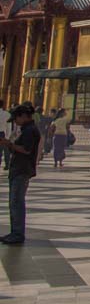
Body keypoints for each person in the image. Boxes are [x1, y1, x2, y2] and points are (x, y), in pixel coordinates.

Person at [0, 103, 40, 244]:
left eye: (16, 118)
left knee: (17, 202)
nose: (15, 122)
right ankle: (14, 232)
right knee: (14, 202)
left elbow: (26, 149)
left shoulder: (30, 130)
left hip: (22, 170)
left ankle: (17, 234)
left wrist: (8, 144)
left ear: (23, 116)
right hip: (18, 169)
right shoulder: (25, 129)